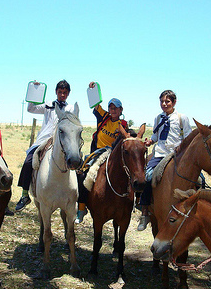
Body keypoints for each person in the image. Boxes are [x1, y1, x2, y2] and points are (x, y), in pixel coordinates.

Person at [15, 80, 75, 212]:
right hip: (44, 140)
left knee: (75, 161)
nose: (62, 95)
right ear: (56, 92)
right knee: (28, 161)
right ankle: (25, 195)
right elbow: (31, 108)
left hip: (63, 142)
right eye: (60, 92)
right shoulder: (48, 105)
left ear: (68, 94)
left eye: (65, 93)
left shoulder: (70, 109)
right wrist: (34, 92)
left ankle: (76, 197)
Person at [137, 90, 192, 231]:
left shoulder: (182, 118)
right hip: (160, 154)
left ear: (174, 102)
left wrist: (182, 147)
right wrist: (150, 141)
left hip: (176, 155)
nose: (164, 104)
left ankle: (197, 211)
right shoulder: (158, 117)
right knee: (147, 176)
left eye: (167, 101)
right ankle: (145, 212)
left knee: (198, 179)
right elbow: (156, 135)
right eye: (162, 101)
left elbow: (188, 136)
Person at [75, 81, 128, 224]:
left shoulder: (123, 124)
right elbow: (95, 103)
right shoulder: (103, 117)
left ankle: (131, 203)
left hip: (112, 153)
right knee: (82, 173)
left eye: (115, 108)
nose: (112, 110)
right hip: (97, 152)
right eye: (111, 107)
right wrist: (93, 88)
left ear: (121, 110)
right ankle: (81, 208)